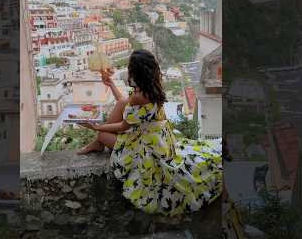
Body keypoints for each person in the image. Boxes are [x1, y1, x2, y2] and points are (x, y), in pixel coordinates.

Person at [78, 49, 222, 216]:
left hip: (146, 148)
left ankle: (97, 142)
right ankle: (97, 143)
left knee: (103, 135)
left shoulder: (138, 96)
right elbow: (129, 108)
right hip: (160, 140)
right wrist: (111, 85)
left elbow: (124, 125)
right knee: (122, 102)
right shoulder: (153, 87)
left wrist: (96, 127)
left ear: (135, 71)